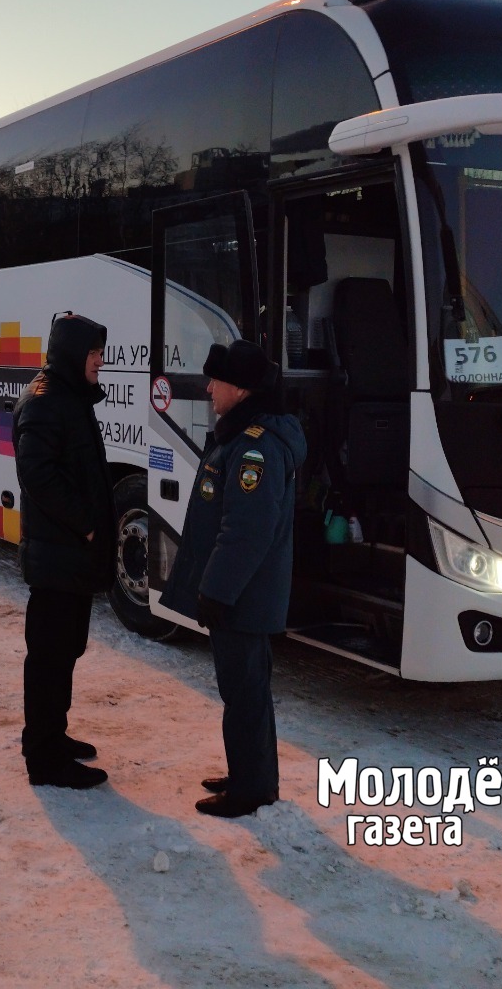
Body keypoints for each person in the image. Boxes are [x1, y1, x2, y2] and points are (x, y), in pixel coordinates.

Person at [160, 341, 306, 818]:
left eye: (215, 381)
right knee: (247, 690)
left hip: (243, 596)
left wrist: (216, 591)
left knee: (242, 694)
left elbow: (245, 531)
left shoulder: (254, 448)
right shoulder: (242, 435)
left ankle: (251, 790)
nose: (208, 388)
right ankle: (251, 773)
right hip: (246, 593)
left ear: (239, 388)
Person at [12, 312, 116, 790]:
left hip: (69, 556)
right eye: (94, 354)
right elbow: (38, 476)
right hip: (58, 556)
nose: (100, 362)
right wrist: (87, 525)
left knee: (65, 650)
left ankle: (53, 735)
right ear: (75, 355)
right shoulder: (45, 401)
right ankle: (45, 757)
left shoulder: (69, 396)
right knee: (50, 656)